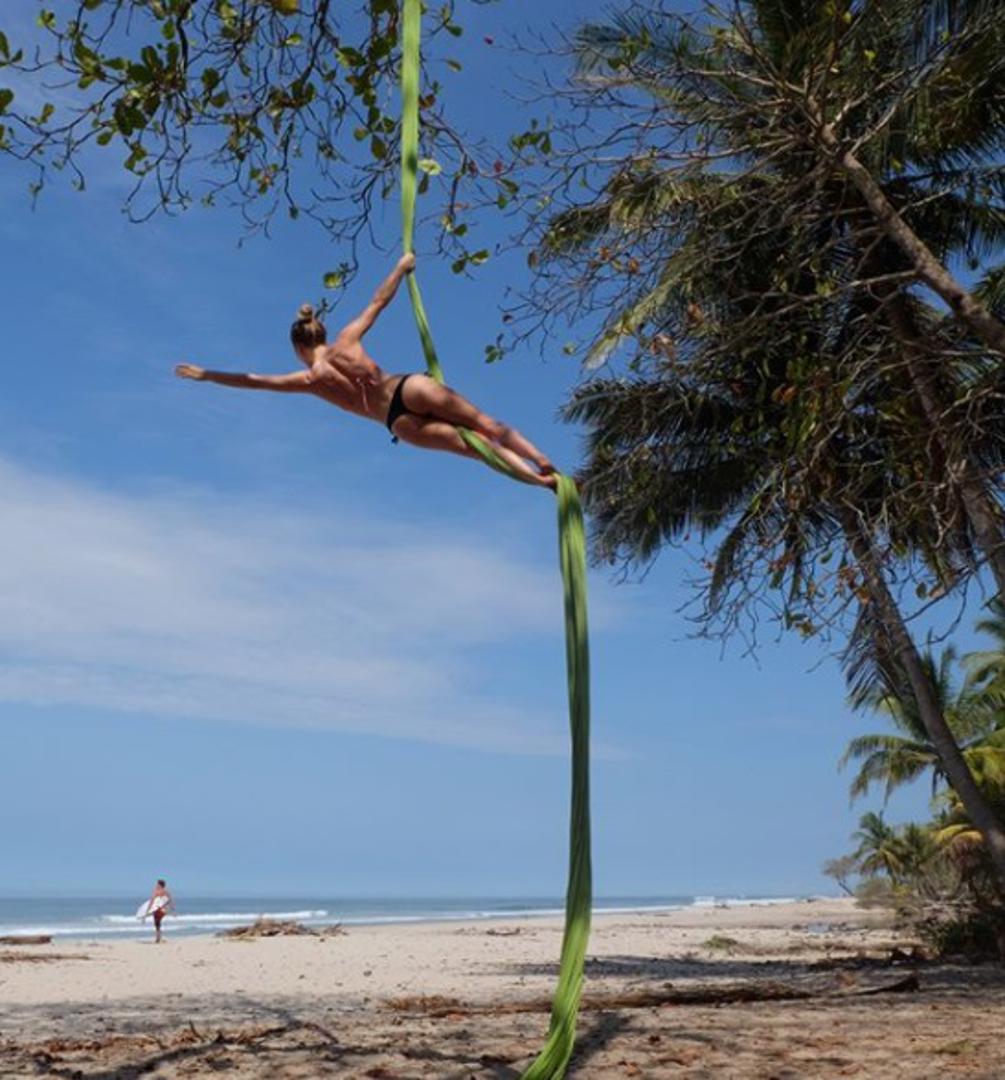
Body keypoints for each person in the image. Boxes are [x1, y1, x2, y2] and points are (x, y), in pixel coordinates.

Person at [175, 254, 557, 488]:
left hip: (397, 421)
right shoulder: (346, 340)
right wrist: (401, 266)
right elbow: (379, 301)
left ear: (298, 348)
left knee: (480, 450)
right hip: (409, 388)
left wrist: (207, 374)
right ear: (320, 331)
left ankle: (541, 483)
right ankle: (540, 458)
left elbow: (254, 381)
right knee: (486, 425)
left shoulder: (309, 379)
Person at [145, 878, 173, 944]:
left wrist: (148, 909)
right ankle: (159, 938)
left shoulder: (156, 891)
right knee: (158, 923)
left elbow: (152, 901)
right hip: (164, 910)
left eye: (157, 884)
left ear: (160, 885)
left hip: (157, 910)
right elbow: (170, 900)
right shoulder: (166, 891)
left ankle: (158, 939)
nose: (156, 885)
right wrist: (171, 908)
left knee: (157, 924)